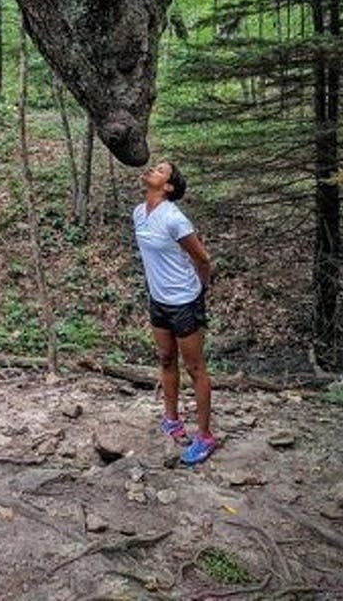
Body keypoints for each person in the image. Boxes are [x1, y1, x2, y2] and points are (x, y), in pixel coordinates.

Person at [132, 159, 217, 465]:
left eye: (160, 170)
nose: (152, 170)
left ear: (167, 187)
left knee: (195, 368)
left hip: (183, 300)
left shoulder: (174, 219)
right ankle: (171, 419)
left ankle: (205, 437)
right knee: (166, 359)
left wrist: (200, 290)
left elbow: (203, 258)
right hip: (158, 300)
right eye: (155, 167)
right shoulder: (139, 213)